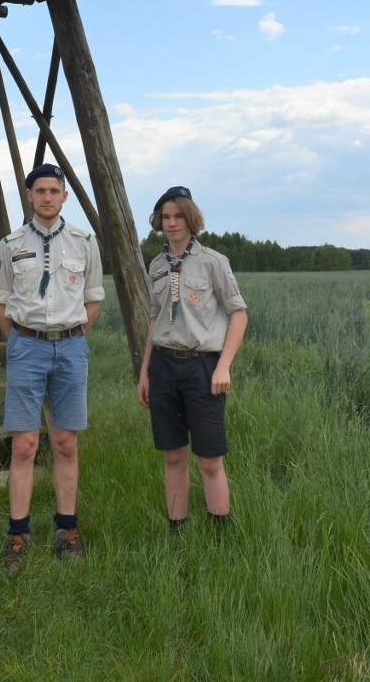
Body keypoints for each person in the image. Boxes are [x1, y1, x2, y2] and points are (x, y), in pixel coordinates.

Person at [0, 163, 104, 575]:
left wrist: (68, 337)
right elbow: (1, 304)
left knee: (66, 444)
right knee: (24, 446)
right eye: (39, 191)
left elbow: (92, 301)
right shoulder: (9, 244)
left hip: (71, 348)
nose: (47, 197)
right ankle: (17, 535)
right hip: (28, 348)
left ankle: (67, 530)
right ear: (29, 195)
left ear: (64, 196)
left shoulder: (84, 242)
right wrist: (25, 341)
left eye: (54, 191)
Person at [137, 186, 247, 533]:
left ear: (191, 218)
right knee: (172, 455)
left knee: (209, 459)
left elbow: (238, 314)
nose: (171, 223)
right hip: (163, 367)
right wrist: (145, 374)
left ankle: (220, 533)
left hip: (202, 366)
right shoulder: (156, 265)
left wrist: (224, 365)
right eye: (165, 217)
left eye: (178, 216)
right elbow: (154, 321)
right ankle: (177, 532)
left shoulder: (213, 262)